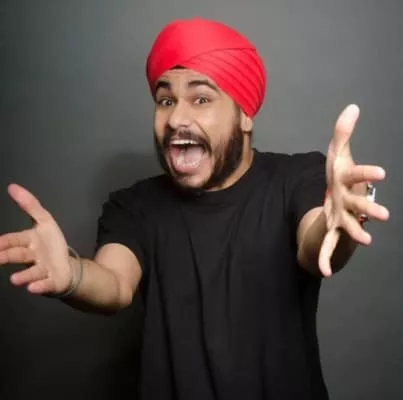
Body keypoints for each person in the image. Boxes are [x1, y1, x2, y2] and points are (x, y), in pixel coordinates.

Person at [0, 17, 389, 400]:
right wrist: (71, 276)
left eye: (201, 99)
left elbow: (315, 246)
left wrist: (338, 224)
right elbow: (115, 284)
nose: (176, 119)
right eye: (165, 101)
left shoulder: (296, 177)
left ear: (245, 114)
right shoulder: (134, 206)